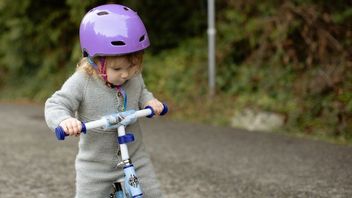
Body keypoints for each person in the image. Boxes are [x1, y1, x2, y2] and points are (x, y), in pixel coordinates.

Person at [45, 4, 164, 198]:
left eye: (133, 66)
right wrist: (64, 120)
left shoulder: (134, 77)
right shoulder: (82, 81)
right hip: (96, 168)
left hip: (136, 158)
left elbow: (142, 93)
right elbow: (56, 104)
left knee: (153, 194)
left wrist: (150, 102)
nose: (126, 74)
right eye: (117, 69)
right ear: (95, 61)